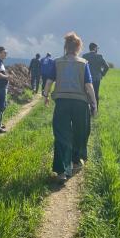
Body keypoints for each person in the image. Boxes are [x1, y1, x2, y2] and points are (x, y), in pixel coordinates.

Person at [43, 32, 97, 182]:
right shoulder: (83, 63)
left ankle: (62, 171)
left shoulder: (57, 62)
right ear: (78, 47)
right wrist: (94, 103)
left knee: (61, 134)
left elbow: (49, 81)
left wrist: (45, 96)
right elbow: (89, 85)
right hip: (80, 103)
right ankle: (75, 161)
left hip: (62, 102)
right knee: (81, 132)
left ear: (66, 47)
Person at [82, 42, 109, 107]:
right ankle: (95, 110)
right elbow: (107, 67)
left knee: (86, 93)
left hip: (86, 78)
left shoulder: (84, 56)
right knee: (95, 94)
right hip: (97, 78)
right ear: (95, 48)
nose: (97, 49)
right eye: (97, 48)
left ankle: (86, 109)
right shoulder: (99, 56)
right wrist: (102, 74)